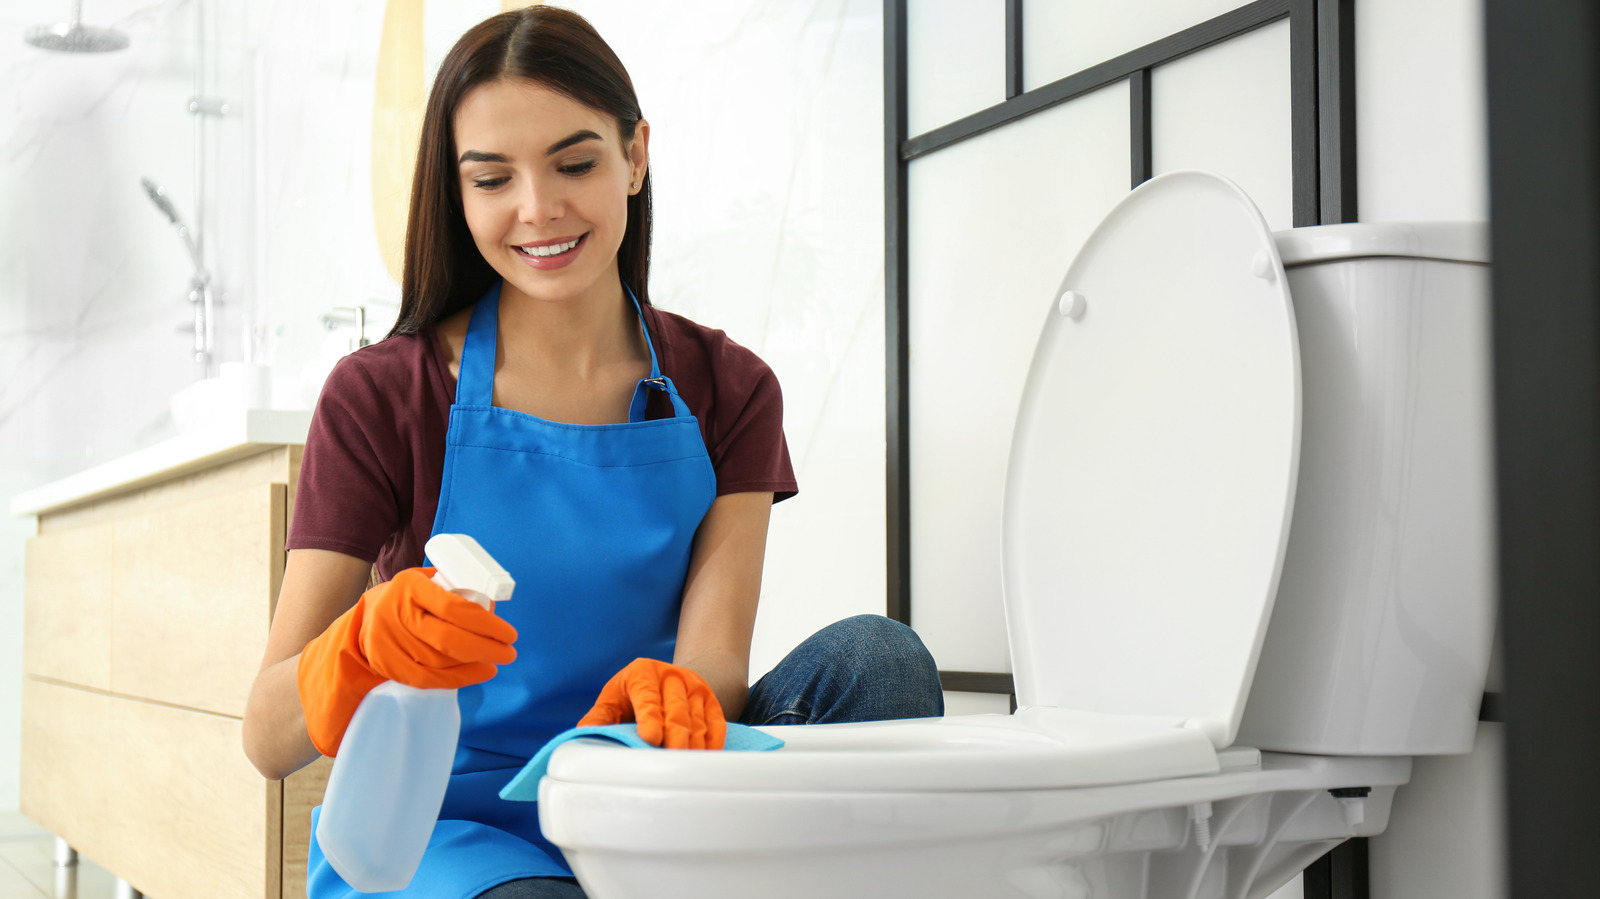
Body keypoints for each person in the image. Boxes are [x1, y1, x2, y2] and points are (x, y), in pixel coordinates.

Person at [241, 7, 942, 899]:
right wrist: (362, 647)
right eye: (493, 179)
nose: (538, 209)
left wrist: (675, 694)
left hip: (645, 787)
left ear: (635, 155)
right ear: (458, 194)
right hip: (448, 825)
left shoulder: (728, 387)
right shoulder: (386, 394)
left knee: (880, 663)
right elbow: (267, 739)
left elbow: (716, 663)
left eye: (575, 163)